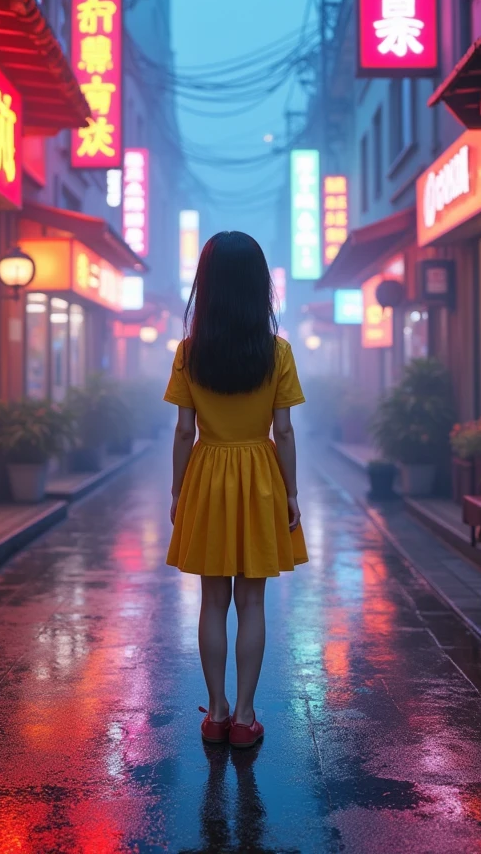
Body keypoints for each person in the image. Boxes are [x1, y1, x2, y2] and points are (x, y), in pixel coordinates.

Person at [164, 231, 308, 749]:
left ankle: (217, 711)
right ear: (258, 286)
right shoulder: (277, 352)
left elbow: (184, 430)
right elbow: (284, 431)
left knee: (211, 600)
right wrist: (291, 493)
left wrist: (178, 489)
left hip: (208, 473)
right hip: (260, 477)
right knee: (252, 602)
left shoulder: (188, 352)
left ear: (207, 286)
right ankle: (246, 718)